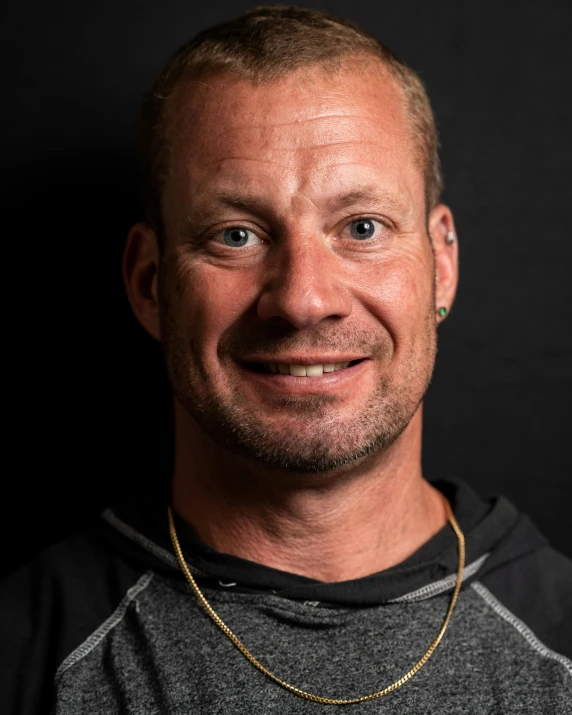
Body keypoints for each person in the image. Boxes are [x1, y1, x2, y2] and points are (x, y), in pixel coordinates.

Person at [1, 6, 571, 713]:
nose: (303, 299)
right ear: (151, 285)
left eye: (362, 227)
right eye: (236, 234)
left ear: (441, 267)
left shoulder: (559, 639)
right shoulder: (26, 652)